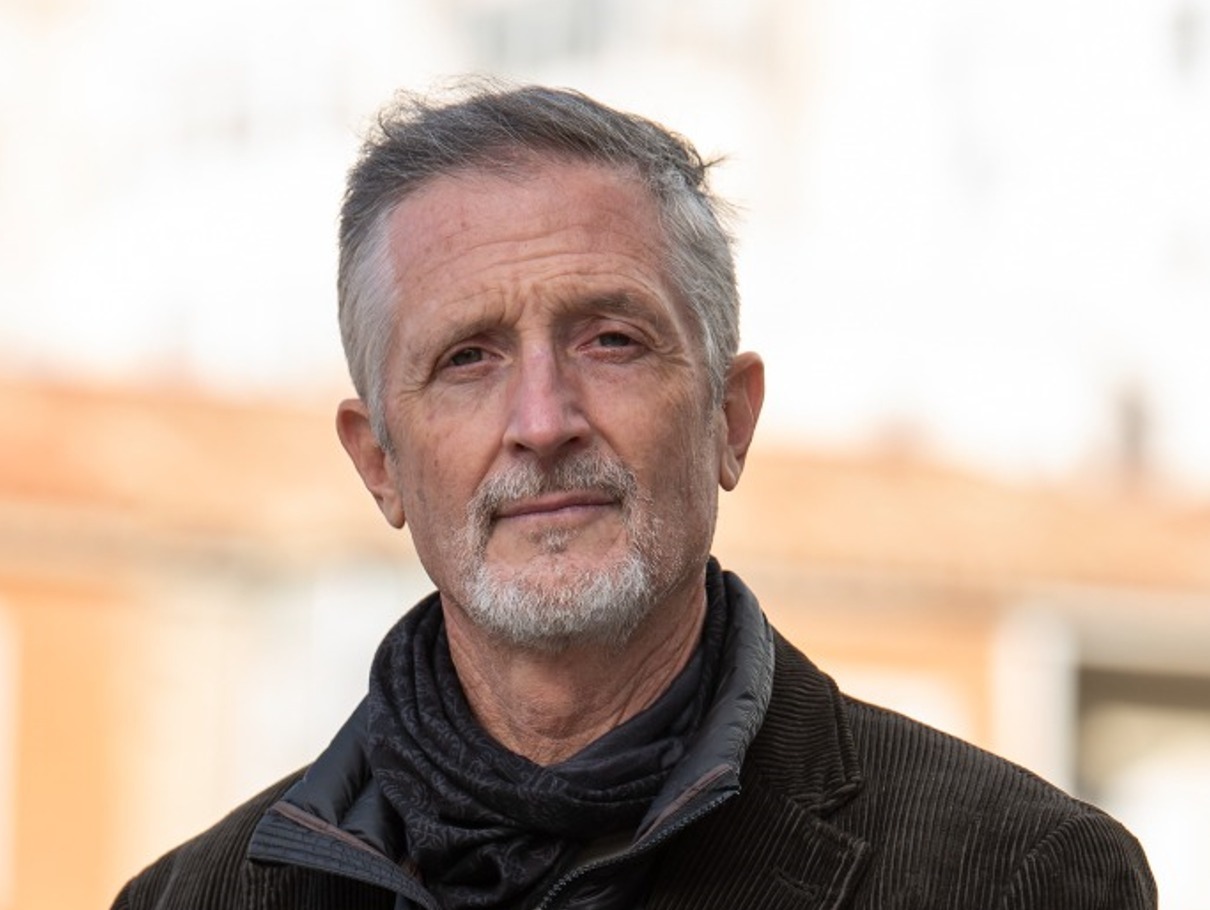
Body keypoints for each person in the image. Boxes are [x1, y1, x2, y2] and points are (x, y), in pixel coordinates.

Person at [112, 84, 1156, 910]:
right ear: (378, 460)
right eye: (467, 358)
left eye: (610, 338)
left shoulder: (1016, 872)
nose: (543, 418)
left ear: (728, 419)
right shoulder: (187, 899)